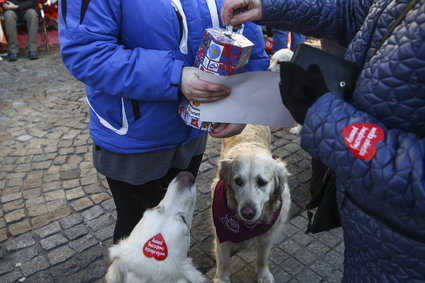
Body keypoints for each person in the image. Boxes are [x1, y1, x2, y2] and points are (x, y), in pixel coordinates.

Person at [221, 0, 425, 281]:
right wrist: (270, 6)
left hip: (408, 250)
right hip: (366, 223)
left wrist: (325, 118)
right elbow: (352, 14)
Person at [58, 0, 269, 244]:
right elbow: (86, 52)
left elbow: (247, 28)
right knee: (138, 232)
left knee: (178, 222)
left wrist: (241, 104)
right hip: (135, 137)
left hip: (193, 129)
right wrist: (175, 76)